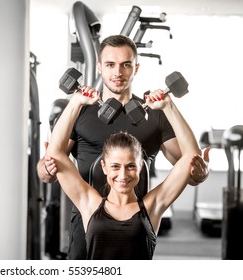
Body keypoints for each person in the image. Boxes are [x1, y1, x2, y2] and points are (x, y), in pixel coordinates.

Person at [37, 34, 210, 259]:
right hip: (87, 215)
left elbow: (189, 165)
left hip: (137, 218)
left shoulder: (156, 115)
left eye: (125, 65)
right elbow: (50, 165)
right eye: (110, 64)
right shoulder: (79, 112)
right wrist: (46, 167)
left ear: (135, 68)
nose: (118, 72)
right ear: (99, 67)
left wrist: (169, 107)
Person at [46, 86, 201, 259]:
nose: (123, 175)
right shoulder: (89, 204)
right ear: (104, 167)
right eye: (115, 166)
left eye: (130, 166)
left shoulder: (152, 207)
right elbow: (55, 154)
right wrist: (76, 102)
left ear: (141, 167)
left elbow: (191, 158)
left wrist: (169, 107)